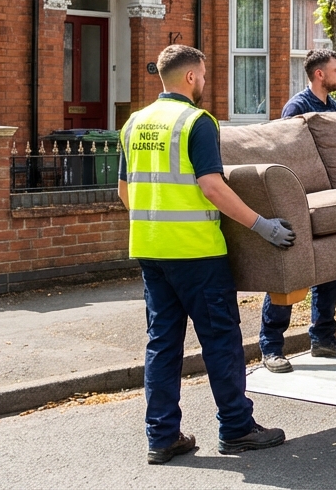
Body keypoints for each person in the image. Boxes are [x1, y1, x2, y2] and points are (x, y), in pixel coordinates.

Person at [118, 45, 293, 465]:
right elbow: (212, 186)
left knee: (162, 344)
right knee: (221, 341)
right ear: (190, 77)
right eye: (203, 74)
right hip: (197, 252)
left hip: (151, 250)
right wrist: (262, 226)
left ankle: (162, 437)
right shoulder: (196, 122)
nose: (205, 81)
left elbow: (124, 191)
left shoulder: (133, 123)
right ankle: (236, 428)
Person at [260, 49, 336, 373]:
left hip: (326, 200)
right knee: (288, 274)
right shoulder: (297, 109)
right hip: (297, 201)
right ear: (319, 74)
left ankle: (323, 338)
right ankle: (271, 347)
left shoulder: (334, 109)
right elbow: (283, 155)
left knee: (330, 268)